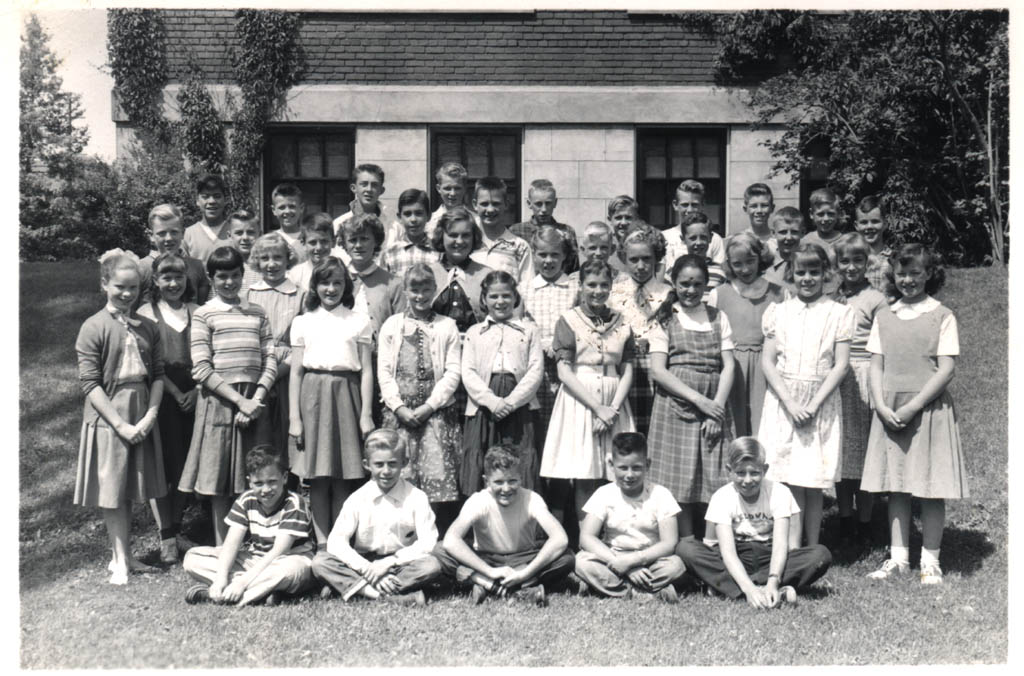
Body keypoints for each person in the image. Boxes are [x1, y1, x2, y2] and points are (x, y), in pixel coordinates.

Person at [862, 244, 967, 584]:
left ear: (929, 275)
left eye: (915, 273)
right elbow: (875, 364)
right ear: (893, 276)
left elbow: (946, 369)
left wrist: (913, 405)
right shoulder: (885, 315)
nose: (907, 280)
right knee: (897, 484)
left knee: (931, 485)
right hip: (889, 407)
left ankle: (931, 560)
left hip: (927, 407)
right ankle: (899, 557)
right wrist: (880, 403)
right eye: (901, 273)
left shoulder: (942, 314)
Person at [75, 249, 166, 584]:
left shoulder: (148, 327)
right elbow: (90, 383)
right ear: (104, 284)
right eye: (119, 287)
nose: (127, 294)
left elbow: (157, 374)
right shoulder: (93, 327)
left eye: (133, 288)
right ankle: (119, 560)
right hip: (110, 416)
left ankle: (125, 556)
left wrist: (150, 416)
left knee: (130, 488)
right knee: (113, 489)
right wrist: (120, 424)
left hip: (142, 410)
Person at [178, 246, 277, 545]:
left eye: (235, 276)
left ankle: (255, 543)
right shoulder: (204, 315)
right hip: (220, 402)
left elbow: (270, 357)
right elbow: (202, 367)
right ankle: (224, 548)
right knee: (220, 479)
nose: (230, 283)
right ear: (211, 278)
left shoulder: (257, 312)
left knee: (255, 475)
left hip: (255, 403)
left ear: (242, 276)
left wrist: (256, 398)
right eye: (222, 277)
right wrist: (239, 402)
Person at [758, 243, 852, 548]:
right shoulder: (778, 312)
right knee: (787, 478)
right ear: (791, 274)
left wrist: (812, 405)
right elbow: (768, 363)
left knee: (813, 482)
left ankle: (813, 545)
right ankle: (790, 546)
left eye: (814, 271)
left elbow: (840, 366)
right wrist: (791, 403)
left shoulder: (839, 313)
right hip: (785, 402)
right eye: (801, 272)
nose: (808, 278)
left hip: (819, 401)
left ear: (825, 274)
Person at [676, 437, 833, 608]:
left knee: (820, 554)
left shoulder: (780, 493)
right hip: (736, 555)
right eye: (740, 473)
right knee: (686, 548)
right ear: (729, 470)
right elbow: (727, 552)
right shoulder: (722, 497)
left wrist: (773, 580)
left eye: (754, 473)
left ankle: (734, 588)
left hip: (769, 554)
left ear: (765, 469)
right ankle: (762, 591)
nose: (748, 480)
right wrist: (749, 589)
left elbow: (781, 545)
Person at [540, 260, 636, 524]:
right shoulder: (569, 320)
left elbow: (627, 369)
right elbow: (563, 372)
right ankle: (585, 541)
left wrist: (612, 409)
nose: (597, 290)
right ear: (581, 286)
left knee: (615, 470)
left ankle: (614, 534)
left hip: (615, 399)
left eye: (604, 285)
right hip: (580, 398)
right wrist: (598, 408)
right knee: (585, 471)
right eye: (591, 285)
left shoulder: (622, 322)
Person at [647, 255, 736, 538]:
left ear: (706, 285)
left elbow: (729, 364)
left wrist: (717, 408)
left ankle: (711, 541)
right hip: (677, 403)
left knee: (715, 472)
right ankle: (684, 541)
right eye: (684, 283)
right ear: (674, 282)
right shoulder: (664, 318)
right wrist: (699, 402)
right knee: (680, 474)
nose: (690, 290)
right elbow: (659, 372)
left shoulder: (718, 317)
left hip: (714, 399)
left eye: (697, 284)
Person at [288, 257, 375, 546]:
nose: (331, 288)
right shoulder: (303, 322)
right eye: (325, 282)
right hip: (312, 396)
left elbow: (366, 371)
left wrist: (366, 415)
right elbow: (297, 372)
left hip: (346, 396)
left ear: (346, 286)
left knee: (342, 475)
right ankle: (322, 542)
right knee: (318, 476)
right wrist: (295, 419)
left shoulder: (359, 321)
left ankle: (340, 542)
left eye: (338, 282)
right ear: (315, 286)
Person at [312, 429, 443, 605]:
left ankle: (355, 588)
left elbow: (428, 542)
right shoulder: (358, 498)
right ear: (367, 465)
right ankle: (386, 596)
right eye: (379, 464)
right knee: (320, 562)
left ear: (404, 462)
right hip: (364, 562)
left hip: (400, 563)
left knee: (431, 565)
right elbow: (336, 542)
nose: (386, 471)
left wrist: (390, 563)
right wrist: (368, 569)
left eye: (392, 464)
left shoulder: (417, 497)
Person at [377, 264, 463, 532]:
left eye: (426, 289)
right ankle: (401, 534)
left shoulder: (446, 325)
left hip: (434, 415)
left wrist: (429, 406)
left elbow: (452, 371)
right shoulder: (393, 325)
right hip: (400, 416)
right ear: (405, 291)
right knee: (402, 475)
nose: (420, 295)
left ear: (435, 290)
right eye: (414, 289)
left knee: (436, 478)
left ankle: (434, 537)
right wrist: (398, 406)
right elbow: (385, 371)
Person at [438, 446, 574, 606]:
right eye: (498, 482)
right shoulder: (478, 501)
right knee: (440, 550)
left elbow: (560, 538)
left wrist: (524, 574)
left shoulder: (532, 499)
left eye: (512, 481)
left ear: (521, 479)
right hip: (487, 559)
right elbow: (451, 540)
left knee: (567, 557)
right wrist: (490, 571)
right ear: (486, 481)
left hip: (523, 557)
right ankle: (506, 587)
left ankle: (489, 586)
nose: (506, 489)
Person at [183, 446, 314, 606]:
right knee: (192, 558)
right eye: (258, 483)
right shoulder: (246, 500)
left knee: (290, 571)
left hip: (288, 559)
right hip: (256, 559)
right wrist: (221, 577)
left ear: (285, 477)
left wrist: (242, 583)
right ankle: (261, 592)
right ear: (249, 482)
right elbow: (231, 544)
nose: (266, 489)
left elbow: (278, 551)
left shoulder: (294, 503)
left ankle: (228, 597)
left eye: (272, 482)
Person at [138, 253, 200, 564]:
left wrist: (197, 391)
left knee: (187, 467)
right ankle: (165, 536)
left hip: (196, 396)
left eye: (178, 277)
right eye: (167, 277)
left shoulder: (198, 311)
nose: (173, 283)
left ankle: (176, 529)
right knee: (162, 468)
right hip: (161, 398)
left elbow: (208, 358)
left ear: (187, 279)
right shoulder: (146, 314)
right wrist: (176, 394)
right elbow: (149, 365)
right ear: (156, 281)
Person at [575, 432, 686, 602]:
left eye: (636, 468)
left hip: (649, 559)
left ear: (647, 465)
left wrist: (635, 561)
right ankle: (646, 592)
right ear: (612, 465)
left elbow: (669, 543)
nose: (629, 475)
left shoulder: (661, 494)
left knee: (675, 565)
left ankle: (616, 589)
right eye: (623, 468)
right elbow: (586, 537)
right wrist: (623, 565)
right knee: (581, 561)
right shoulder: (604, 493)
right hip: (612, 558)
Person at [461, 271, 543, 494]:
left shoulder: (529, 330)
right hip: (484, 407)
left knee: (520, 462)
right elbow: (467, 372)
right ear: (484, 299)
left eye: (506, 296)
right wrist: (492, 402)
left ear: (515, 297)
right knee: (484, 463)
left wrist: (511, 402)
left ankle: (521, 525)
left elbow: (535, 371)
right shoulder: (474, 332)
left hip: (520, 406)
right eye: (494, 296)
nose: (500, 302)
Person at [831, 233, 888, 549]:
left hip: (865, 374)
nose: (851, 267)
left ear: (867, 263)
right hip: (837, 376)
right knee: (842, 452)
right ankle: (844, 517)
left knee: (864, 451)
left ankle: (866, 521)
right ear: (836, 264)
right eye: (845, 261)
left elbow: (883, 343)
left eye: (858, 261)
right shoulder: (832, 296)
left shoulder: (876, 299)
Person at [707, 232, 784, 437]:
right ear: (729, 264)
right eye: (737, 264)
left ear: (761, 258)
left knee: (765, 427)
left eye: (751, 261)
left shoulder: (779, 293)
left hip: (768, 367)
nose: (746, 269)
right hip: (732, 369)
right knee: (734, 428)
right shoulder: (719, 293)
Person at [608, 223, 671, 438]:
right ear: (625, 260)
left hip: (659, 368)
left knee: (656, 431)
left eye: (647, 259)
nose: (641, 266)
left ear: (657, 259)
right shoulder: (613, 293)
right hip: (624, 368)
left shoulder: (668, 293)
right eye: (634, 260)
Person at [522, 226, 579, 452]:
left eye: (555, 254)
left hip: (567, 371)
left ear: (564, 255)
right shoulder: (524, 289)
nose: (548, 260)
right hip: (535, 373)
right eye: (542, 254)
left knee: (565, 436)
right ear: (534, 255)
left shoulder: (576, 288)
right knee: (537, 434)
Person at [246, 232, 303, 457]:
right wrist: (264, 377)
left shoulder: (300, 294)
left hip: (290, 371)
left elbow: (303, 342)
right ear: (257, 262)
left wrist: (278, 372)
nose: (271, 264)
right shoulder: (249, 295)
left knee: (287, 432)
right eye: (265, 258)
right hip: (257, 372)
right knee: (260, 434)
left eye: (277, 257)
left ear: (287, 260)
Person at [337, 213, 406, 349]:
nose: (358, 245)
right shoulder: (336, 280)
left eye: (364, 239)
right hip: (342, 356)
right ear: (344, 244)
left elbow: (401, 328)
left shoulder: (393, 283)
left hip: (380, 358)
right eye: (352, 240)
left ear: (375, 242)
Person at [426, 206, 494, 335]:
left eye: (466, 235)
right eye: (453, 235)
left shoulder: (487, 275)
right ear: (442, 236)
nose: (460, 241)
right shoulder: (428, 273)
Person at [138, 203, 210, 306]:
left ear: (183, 233)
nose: (169, 238)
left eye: (174, 232)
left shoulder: (197, 267)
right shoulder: (141, 268)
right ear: (151, 236)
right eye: (162, 233)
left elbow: (201, 309)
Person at [469, 176, 534, 285]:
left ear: (506, 204)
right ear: (475, 204)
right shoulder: (466, 242)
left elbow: (527, 289)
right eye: (484, 204)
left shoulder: (519, 247)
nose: (490, 210)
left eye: (496, 203)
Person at [509, 179, 579, 273]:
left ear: (555, 203)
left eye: (548, 203)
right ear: (529, 204)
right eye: (538, 204)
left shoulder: (566, 231)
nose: (544, 209)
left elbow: (573, 269)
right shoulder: (516, 231)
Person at [380, 188, 440, 279]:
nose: (413, 220)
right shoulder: (390, 253)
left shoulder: (438, 252)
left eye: (418, 213)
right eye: (407, 214)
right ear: (399, 217)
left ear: (428, 216)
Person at [665, 179, 726, 265]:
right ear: (675, 205)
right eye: (685, 205)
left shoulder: (715, 239)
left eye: (694, 205)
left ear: (703, 205)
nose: (689, 210)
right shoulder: (665, 238)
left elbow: (718, 272)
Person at [333, 163, 395, 246]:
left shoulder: (394, 228)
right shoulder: (338, 225)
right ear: (354, 188)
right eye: (364, 184)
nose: (369, 189)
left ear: (381, 190)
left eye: (374, 185)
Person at [854, 194, 896, 300]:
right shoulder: (852, 260)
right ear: (856, 226)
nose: (869, 227)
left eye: (875, 221)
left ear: (885, 224)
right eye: (864, 222)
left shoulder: (894, 259)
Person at [182, 174, 230, 264]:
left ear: (225, 200)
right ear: (197, 201)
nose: (211, 201)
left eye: (217, 196)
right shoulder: (189, 234)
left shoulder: (234, 232)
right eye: (205, 196)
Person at [677, 212, 726, 296]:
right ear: (683, 239)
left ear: (710, 238)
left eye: (703, 237)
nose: (698, 242)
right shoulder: (675, 270)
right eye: (693, 238)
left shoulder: (721, 272)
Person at [287, 212, 335, 295]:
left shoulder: (340, 271)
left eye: (324, 241)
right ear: (303, 244)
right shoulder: (295, 275)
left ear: (333, 242)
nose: (319, 248)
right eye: (313, 242)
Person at [762, 207, 806, 294]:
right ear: (773, 233)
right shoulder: (764, 265)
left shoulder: (808, 263)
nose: (789, 237)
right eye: (783, 232)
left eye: (794, 232)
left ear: (803, 232)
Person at [426, 161, 470, 238]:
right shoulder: (429, 222)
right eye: (447, 188)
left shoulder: (476, 220)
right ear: (438, 189)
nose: (452, 193)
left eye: (457, 188)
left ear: (464, 189)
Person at [225, 209, 262, 297]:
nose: (245, 237)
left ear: (260, 234)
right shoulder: (223, 266)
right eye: (239, 233)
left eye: (250, 232)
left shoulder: (266, 268)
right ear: (229, 236)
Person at [801, 188, 843, 265]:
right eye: (820, 214)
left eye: (830, 214)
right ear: (811, 214)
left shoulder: (845, 241)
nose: (826, 219)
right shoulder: (805, 242)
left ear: (838, 213)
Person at [268, 183, 307, 264]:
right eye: (282, 207)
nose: (287, 211)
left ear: (301, 208)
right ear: (273, 210)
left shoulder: (310, 238)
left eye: (292, 206)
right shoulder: (269, 240)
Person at [740, 182, 778, 260]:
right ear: (745, 209)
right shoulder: (739, 240)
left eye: (764, 206)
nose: (759, 210)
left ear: (772, 208)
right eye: (753, 206)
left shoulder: (779, 240)